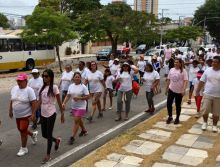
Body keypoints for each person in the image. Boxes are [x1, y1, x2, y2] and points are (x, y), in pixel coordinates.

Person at [39, 69, 64, 163]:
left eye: (46, 76)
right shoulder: (42, 87)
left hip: (51, 113)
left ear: (51, 77)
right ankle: (56, 140)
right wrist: (33, 113)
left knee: (48, 134)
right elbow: (40, 101)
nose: (44, 78)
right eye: (43, 76)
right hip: (43, 113)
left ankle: (48, 155)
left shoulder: (54, 87)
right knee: (44, 134)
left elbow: (59, 101)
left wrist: (62, 114)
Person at [9, 73, 38, 156]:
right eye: (18, 80)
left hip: (26, 114)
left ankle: (24, 148)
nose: (19, 82)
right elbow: (12, 100)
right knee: (21, 129)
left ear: (26, 81)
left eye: (21, 81)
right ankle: (33, 134)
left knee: (22, 130)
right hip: (17, 115)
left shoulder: (29, 90)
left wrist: (33, 114)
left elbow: (34, 102)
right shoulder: (14, 88)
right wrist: (10, 110)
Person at [62, 72, 90, 145]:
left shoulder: (83, 87)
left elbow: (88, 97)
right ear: (73, 78)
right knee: (78, 120)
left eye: (78, 77)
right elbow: (68, 96)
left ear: (80, 78)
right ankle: (84, 130)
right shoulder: (71, 86)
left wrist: (79, 98)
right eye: (76, 77)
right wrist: (64, 103)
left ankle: (72, 137)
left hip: (82, 106)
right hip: (74, 106)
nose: (77, 78)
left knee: (76, 120)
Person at [196, 56, 220, 132]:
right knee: (205, 110)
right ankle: (205, 123)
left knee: (216, 112)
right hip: (207, 94)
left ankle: (215, 125)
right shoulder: (207, 70)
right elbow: (202, 81)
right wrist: (197, 90)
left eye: (215, 62)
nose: (213, 63)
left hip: (218, 96)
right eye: (213, 61)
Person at [165, 59, 188, 124]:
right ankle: (170, 116)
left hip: (179, 91)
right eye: (175, 62)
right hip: (171, 89)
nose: (175, 63)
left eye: (177, 62)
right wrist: (166, 89)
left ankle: (177, 118)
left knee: (178, 105)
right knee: (169, 103)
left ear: (180, 63)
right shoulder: (171, 69)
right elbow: (168, 79)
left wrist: (183, 90)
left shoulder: (183, 71)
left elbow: (185, 81)